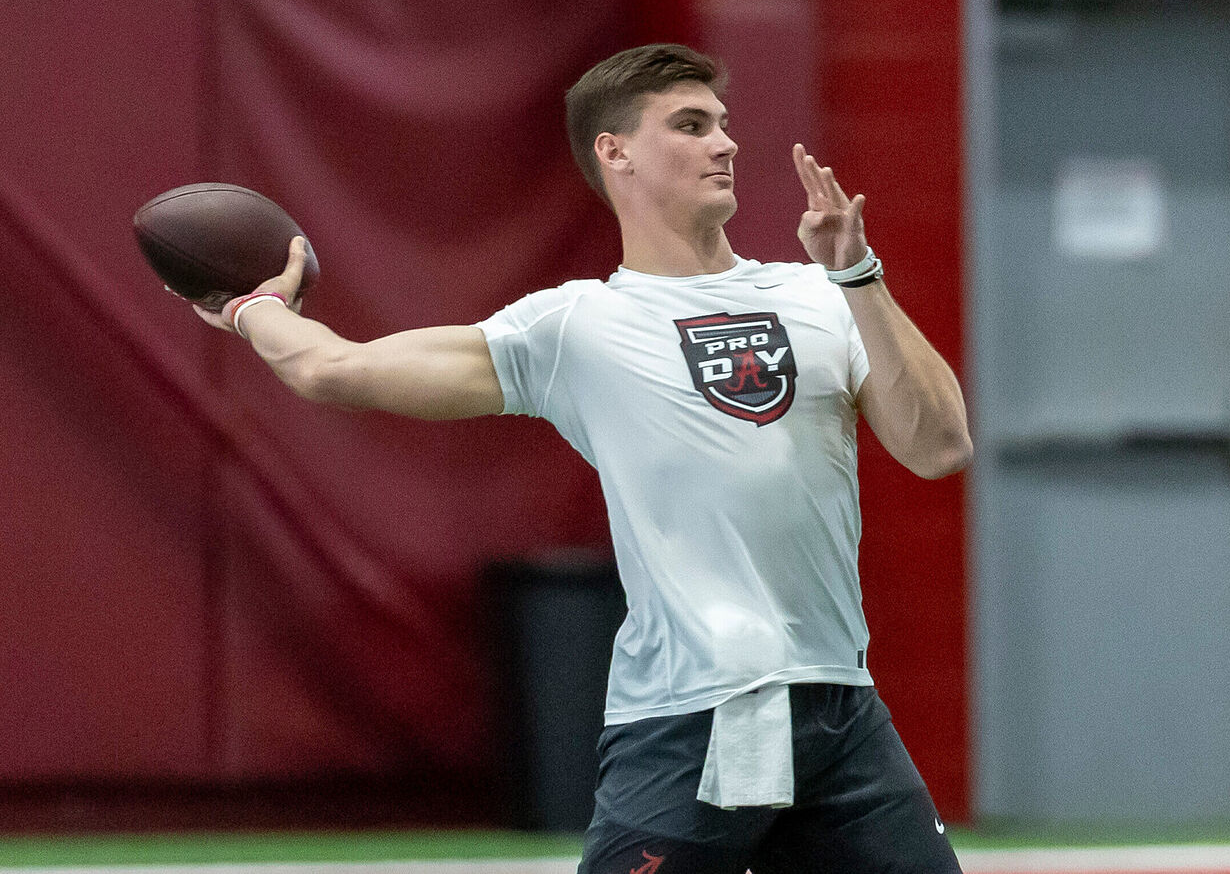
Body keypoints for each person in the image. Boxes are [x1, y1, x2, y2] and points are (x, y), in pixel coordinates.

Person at [197, 43, 970, 874]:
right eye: (690, 124)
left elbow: (939, 445)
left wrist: (858, 272)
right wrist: (253, 308)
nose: (726, 143)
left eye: (722, 123)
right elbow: (333, 368)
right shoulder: (574, 327)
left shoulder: (819, 294)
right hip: (690, 716)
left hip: (838, 712)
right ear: (615, 151)